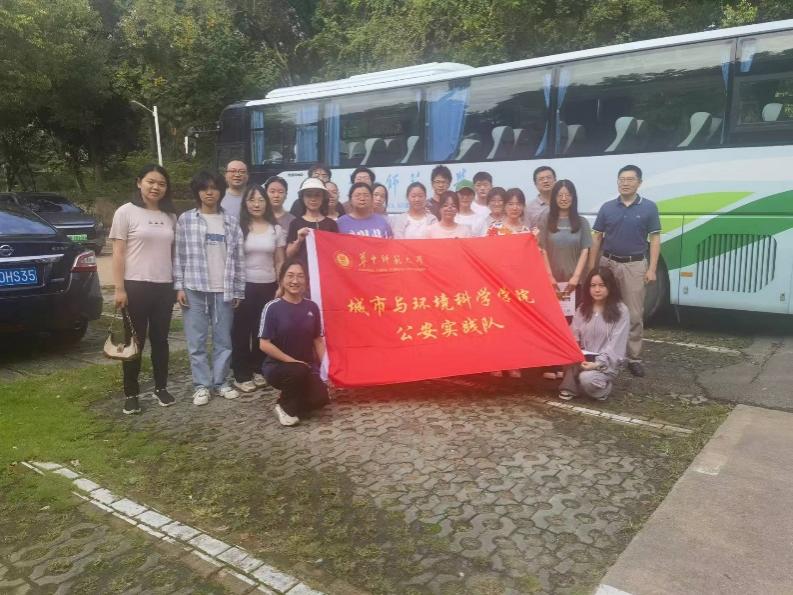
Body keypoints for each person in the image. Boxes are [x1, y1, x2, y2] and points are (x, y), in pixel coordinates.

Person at [109, 164, 178, 415]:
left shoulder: (171, 216)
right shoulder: (125, 212)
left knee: (160, 340)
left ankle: (161, 387)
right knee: (133, 342)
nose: (156, 187)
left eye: (161, 183)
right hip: (135, 286)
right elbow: (118, 253)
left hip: (164, 287)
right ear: (139, 182)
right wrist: (119, 288)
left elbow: (174, 253)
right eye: (151, 182)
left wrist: (176, 285)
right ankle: (131, 394)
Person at [174, 170, 246, 405]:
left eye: (214, 188)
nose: (209, 193)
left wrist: (238, 289)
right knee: (196, 340)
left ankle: (221, 382)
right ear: (197, 192)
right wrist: (179, 286)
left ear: (220, 192)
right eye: (204, 188)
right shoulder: (186, 220)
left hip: (224, 290)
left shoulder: (231, 222)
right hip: (194, 288)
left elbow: (238, 258)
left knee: (223, 340)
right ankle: (201, 386)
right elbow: (179, 255)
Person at [589, 165, 660, 377]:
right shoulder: (607, 207)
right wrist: (592, 268)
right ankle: (603, 353)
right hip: (609, 264)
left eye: (630, 179)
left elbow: (655, 238)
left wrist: (652, 269)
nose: (625, 183)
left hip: (634, 265)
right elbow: (597, 238)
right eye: (622, 179)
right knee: (604, 308)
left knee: (634, 313)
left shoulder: (649, 208)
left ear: (639, 182)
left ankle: (633, 357)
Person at [259, 259, 330, 427]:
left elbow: (318, 340)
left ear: (306, 280)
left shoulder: (312, 307)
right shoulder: (272, 307)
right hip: (278, 367)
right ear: (282, 279)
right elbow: (264, 344)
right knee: (297, 371)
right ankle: (285, 407)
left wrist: (326, 369)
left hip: (306, 367)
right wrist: (292, 361)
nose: (295, 281)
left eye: (300, 276)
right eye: (290, 276)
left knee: (321, 399)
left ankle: (293, 401)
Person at [231, 184, 286, 393]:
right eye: (252, 200)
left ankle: (257, 368)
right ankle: (241, 373)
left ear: (267, 203)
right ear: (245, 203)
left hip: (268, 285)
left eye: (261, 200)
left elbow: (280, 260)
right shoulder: (238, 228)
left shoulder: (275, 229)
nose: (256, 204)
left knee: (260, 330)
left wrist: (281, 285)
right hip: (244, 286)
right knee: (241, 330)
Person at [559, 268, 629, 401]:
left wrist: (597, 364)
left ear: (610, 287)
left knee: (587, 379)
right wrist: (575, 351)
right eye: (593, 285)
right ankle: (571, 386)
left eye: (602, 285)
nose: (597, 290)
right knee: (565, 350)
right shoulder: (583, 308)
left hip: (605, 363)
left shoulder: (621, 311)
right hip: (584, 358)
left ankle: (603, 388)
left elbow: (616, 345)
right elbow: (573, 334)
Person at [540, 180, 592, 305]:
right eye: (560, 195)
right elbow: (542, 249)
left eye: (568, 195)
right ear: (554, 198)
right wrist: (549, 276)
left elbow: (585, 251)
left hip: (575, 282)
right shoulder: (546, 220)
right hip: (551, 282)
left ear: (573, 197)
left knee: (576, 314)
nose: (564, 199)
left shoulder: (582, 222)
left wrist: (576, 277)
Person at [287, 178, 339, 263]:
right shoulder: (295, 223)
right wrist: (299, 241)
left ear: (323, 198)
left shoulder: (331, 224)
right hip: (302, 270)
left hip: (325, 269)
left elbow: (337, 251)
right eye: (308, 195)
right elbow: (288, 254)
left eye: (317, 195)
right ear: (302, 198)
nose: (313, 199)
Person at [524, 166, 556, 230]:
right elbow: (526, 230)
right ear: (535, 184)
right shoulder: (528, 207)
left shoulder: (563, 202)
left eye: (549, 177)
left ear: (555, 180)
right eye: (541, 179)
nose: (545, 181)